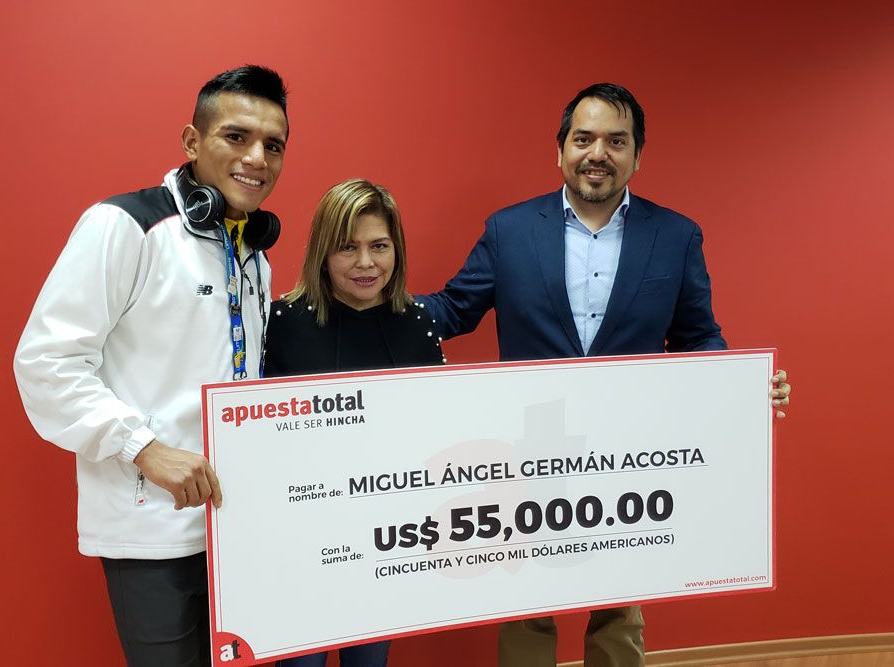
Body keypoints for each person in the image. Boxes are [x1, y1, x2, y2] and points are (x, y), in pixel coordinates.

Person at [416, 82, 791, 667]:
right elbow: (453, 310)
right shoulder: (509, 230)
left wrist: (740, 386)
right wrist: (371, 303)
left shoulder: (676, 236)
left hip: (629, 450)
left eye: (617, 141)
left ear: (637, 155)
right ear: (560, 150)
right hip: (529, 447)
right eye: (583, 138)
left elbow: (697, 338)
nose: (598, 153)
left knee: (619, 601)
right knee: (525, 599)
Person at [14, 65, 290, 667]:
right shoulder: (125, 226)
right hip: (149, 533)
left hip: (236, 528)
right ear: (192, 141)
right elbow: (46, 361)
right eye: (236, 136)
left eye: (273, 145)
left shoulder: (254, 257)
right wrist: (144, 448)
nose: (257, 158)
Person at [263, 178, 444, 667]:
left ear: (396, 249)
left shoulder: (419, 324)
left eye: (379, 246)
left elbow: (437, 434)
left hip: (387, 541)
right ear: (323, 253)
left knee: (369, 660)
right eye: (348, 247)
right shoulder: (280, 323)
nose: (366, 262)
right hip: (300, 544)